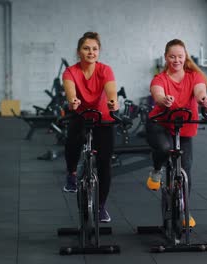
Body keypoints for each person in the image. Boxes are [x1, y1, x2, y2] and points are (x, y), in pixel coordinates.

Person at [145, 39, 207, 227]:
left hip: (184, 127)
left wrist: (203, 99)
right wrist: (163, 99)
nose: (176, 60)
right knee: (165, 149)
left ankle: (183, 211)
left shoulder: (194, 76)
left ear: (185, 57)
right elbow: (157, 94)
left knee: (186, 170)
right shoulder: (160, 79)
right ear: (166, 58)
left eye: (180, 57)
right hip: (160, 124)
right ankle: (157, 170)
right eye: (172, 57)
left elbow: (200, 91)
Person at [62, 31, 119, 223]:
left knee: (104, 163)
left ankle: (101, 206)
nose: (91, 52)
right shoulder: (71, 71)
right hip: (80, 114)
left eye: (94, 49)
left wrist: (113, 102)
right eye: (86, 48)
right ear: (79, 52)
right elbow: (70, 90)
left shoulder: (105, 70)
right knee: (72, 140)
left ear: (99, 51)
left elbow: (111, 90)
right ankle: (71, 173)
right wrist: (73, 100)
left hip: (103, 118)